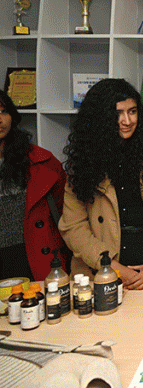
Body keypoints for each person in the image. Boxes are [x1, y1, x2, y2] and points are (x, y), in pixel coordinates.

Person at [59, 79, 143, 289]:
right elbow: (73, 227)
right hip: (100, 270)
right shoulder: (83, 159)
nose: (127, 120)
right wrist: (113, 268)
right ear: (100, 117)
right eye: (118, 114)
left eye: (132, 111)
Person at [0, 90, 67, 281]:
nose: (0, 119)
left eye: (3, 111)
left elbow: (65, 214)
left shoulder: (42, 161)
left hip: (35, 258)